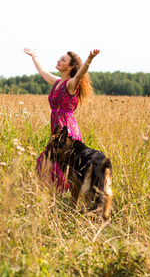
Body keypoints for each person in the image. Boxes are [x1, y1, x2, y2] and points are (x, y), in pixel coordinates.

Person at [24, 48, 100, 191]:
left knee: (55, 164)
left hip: (68, 132)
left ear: (70, 67)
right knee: (47, 164)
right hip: (57, 131)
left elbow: (79, 75)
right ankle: (57, 195)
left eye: (63, 60)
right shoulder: (56, 82)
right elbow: (42, 72)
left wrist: (89, 59)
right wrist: (34, 56)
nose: (59, 60)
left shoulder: (70, 85)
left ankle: (64, 195)